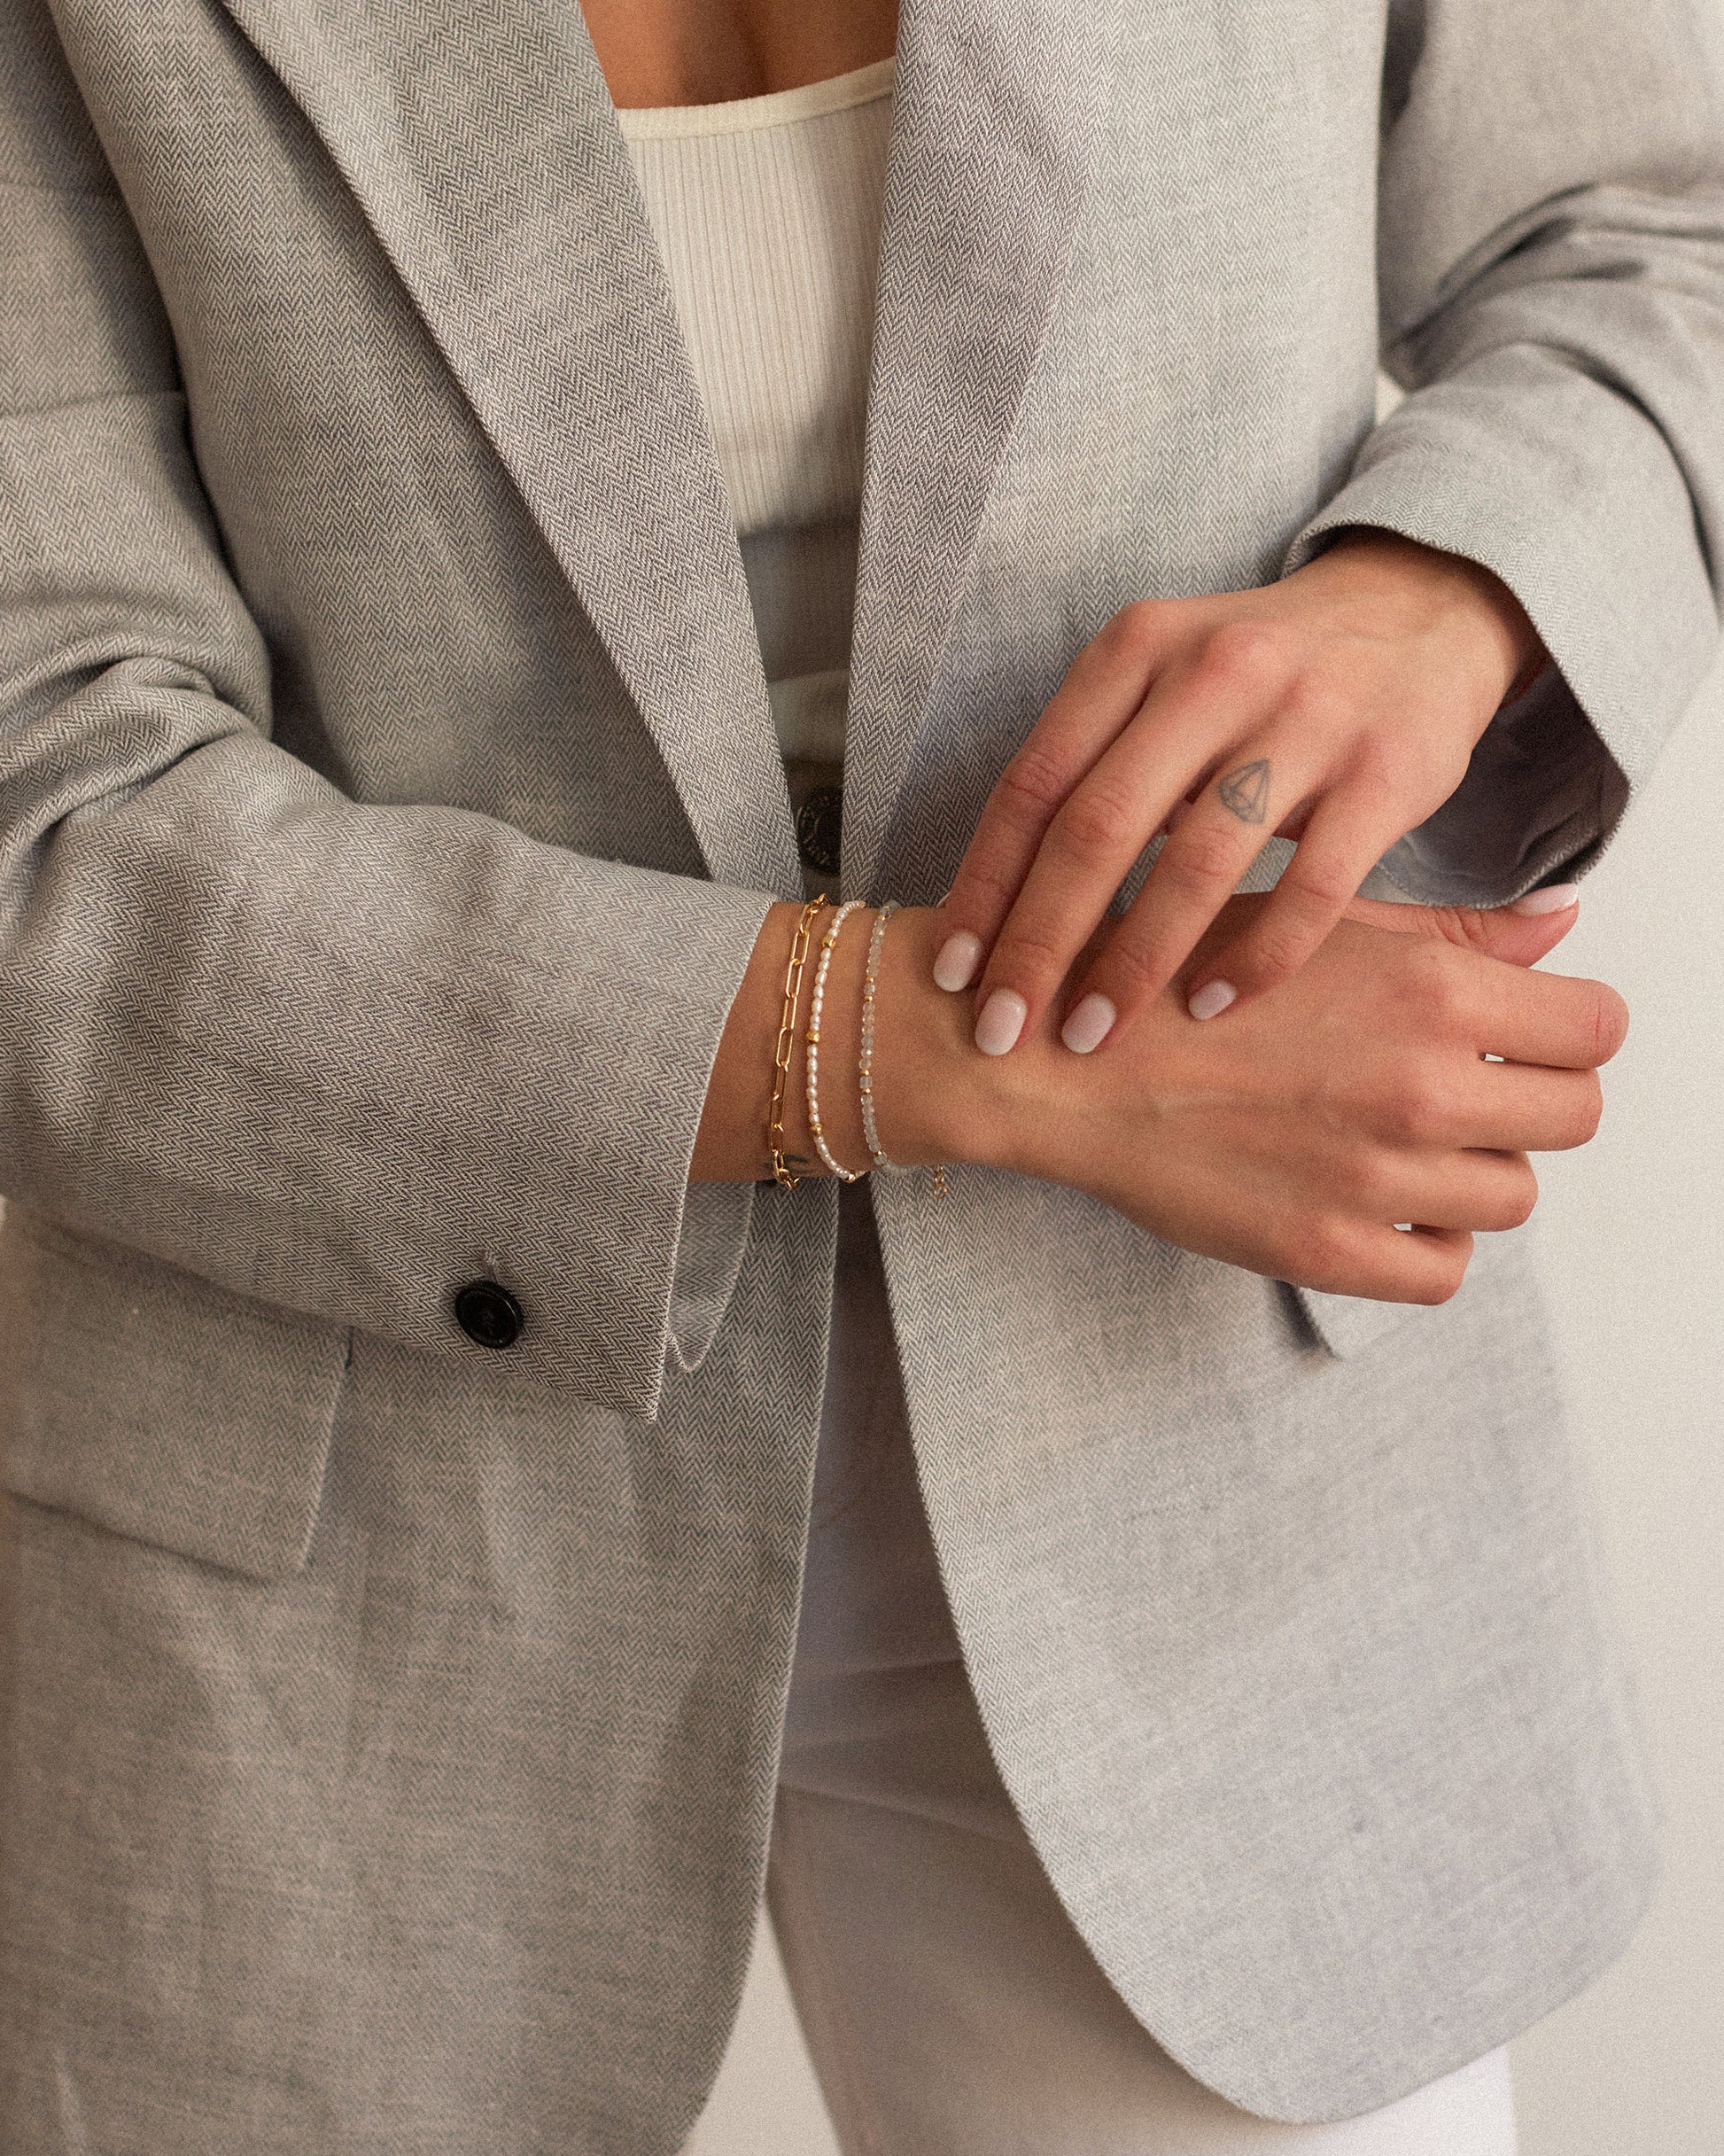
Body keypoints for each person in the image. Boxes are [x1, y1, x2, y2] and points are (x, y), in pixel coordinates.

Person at [1, 0, 1719, 2149]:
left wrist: (1443, 585)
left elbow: (1654, 226)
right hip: (335, 1569)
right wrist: (974, 1059)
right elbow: (49, 808)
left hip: (1217, 1507)